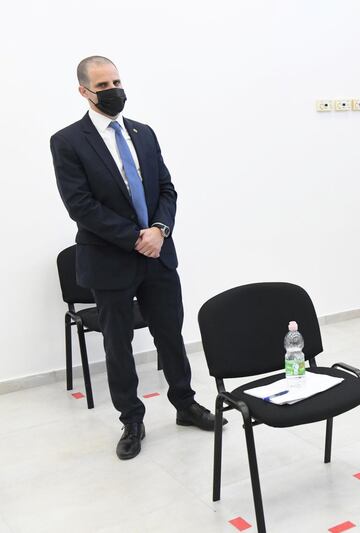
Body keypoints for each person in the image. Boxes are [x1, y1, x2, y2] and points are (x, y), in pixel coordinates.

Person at [51, 56, 225, 460]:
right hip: (109, 260)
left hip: (158, 255)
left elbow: (166, 188)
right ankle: (131, 419)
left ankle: (184, 403)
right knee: (118, 344)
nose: (114, 90)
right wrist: (135, 239)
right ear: (84, 92)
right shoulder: (68, 141)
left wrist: (159, 231)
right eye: (104, 85)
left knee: (170, 333)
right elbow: (81, 205)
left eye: (117, 81)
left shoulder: (142, 133)